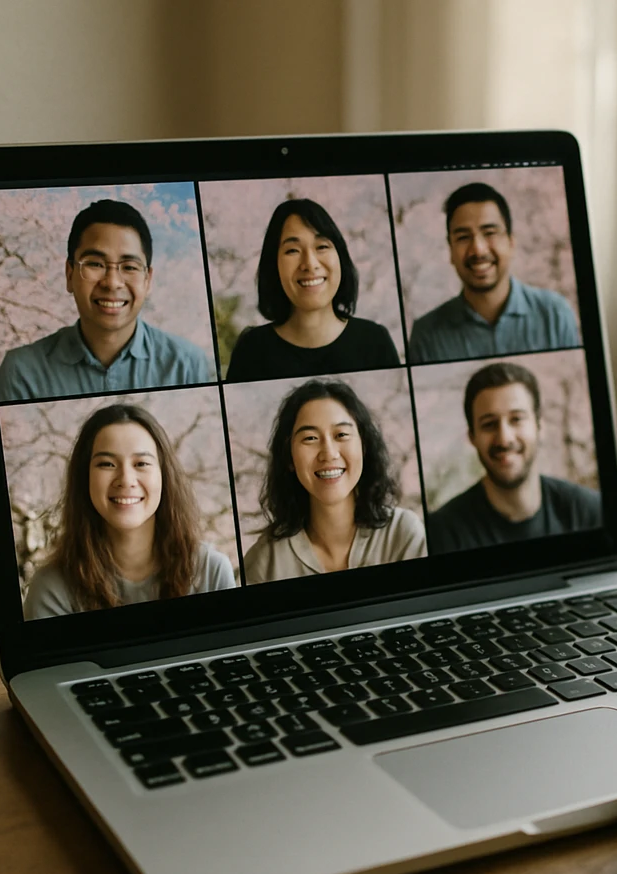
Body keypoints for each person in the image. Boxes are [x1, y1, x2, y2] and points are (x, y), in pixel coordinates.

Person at [23, 403, 235, 617]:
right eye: (107, 464)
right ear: (84, 477)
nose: (126, 480)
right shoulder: (51, 589)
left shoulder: (211, 571)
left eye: (141, 463)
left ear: (164, 476)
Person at [0, 200, 212, 402]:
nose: (112, 283)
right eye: (95, 264)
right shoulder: (22, 371)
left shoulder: (186, 364)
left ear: (147, 280)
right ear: (69, 274)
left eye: (129, 267)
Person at [243, 378, 425, 581]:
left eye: (341, 435)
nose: (328, 454)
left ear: (363, 447)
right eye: (310, 438)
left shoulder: (403, 533)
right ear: (289, 457)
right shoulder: (266, 561)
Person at [426, 362, 602, 553]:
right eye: (489, 424)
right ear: (472, 437)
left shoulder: (590, 511)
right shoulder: (442, 532)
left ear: (539, 427)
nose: (504, 438)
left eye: (516, 419)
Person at [224, 199, 400, 382]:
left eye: (322, 247)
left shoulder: (374, 340)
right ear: (273, 265)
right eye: (292, 250)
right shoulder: (252, 349)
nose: (310, 264)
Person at [407, 182, 581, 363]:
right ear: (450, 250)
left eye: (489, 232)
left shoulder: (555, 315)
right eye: (463, 237)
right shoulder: (426, 335)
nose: (478, 250)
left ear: (511, 242)